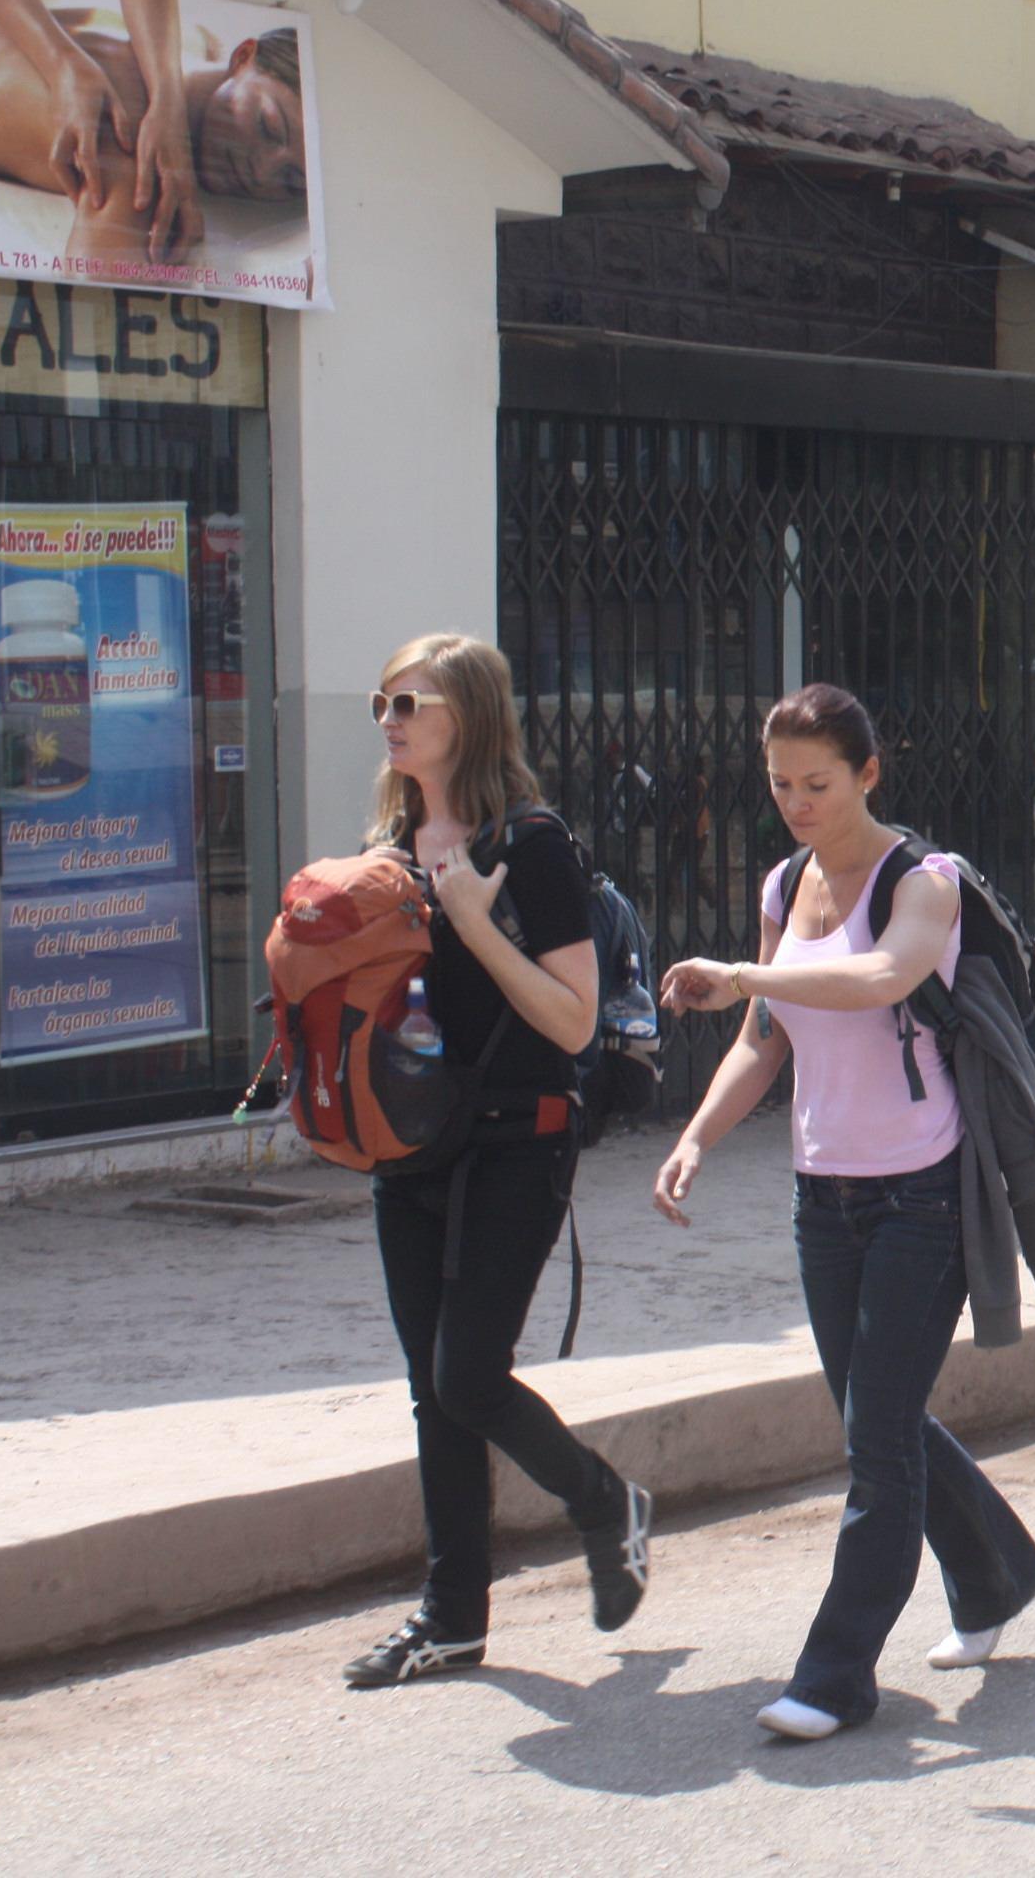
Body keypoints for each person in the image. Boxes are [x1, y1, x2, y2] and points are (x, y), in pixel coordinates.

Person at [649, 684, 1035, 1741]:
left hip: (922, 1193)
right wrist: (696, 1137)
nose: (795, 802)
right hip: (820, 1194)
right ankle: (998, 1571)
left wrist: (741, 973)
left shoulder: (924, 879)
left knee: (875, 1441)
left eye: (817, 783)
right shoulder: (786, 884)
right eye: (779, 783)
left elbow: (884, 977)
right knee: (884, 1419)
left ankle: (835, 1675)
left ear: (868, 772)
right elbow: (765, 1037)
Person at [342, 635, 652, 1689]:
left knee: (468, 1372)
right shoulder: (391, 836)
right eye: (380, 700)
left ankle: (602, 1497)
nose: (388, 716)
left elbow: (572, 1021)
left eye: (408, 701)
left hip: (520, 1140)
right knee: (434, 1391)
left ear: (465, 715)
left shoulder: (533, 846)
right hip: (411, 1142)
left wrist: (475, 919)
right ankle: (452, 1618)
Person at [0, 0, 309, 261]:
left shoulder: (162, 55)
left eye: (291, 180)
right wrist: (63, 65)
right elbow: (94, 293)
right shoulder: (133, 146)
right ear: (242, 56)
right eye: (267, 125)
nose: (261, 173)